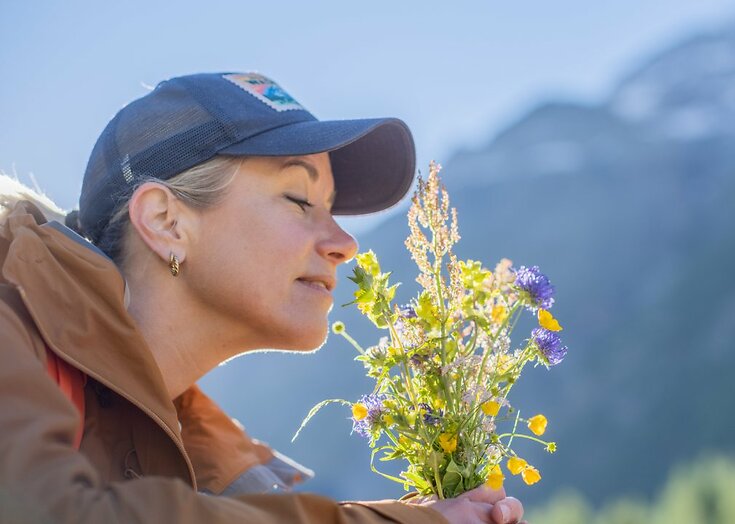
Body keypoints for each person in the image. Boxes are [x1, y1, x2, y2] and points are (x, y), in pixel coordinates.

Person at [0, 72, 526, 524]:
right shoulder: (12, 331)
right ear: (166, 222)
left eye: (331, 208)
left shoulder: (206, 466)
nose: (345, 243)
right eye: (299, 199)